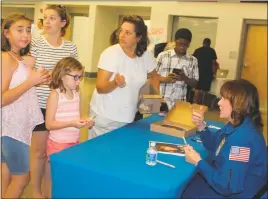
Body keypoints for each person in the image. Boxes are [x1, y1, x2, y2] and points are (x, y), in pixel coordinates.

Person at [181, 79, 266, 198]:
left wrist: (198, 161)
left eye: (224, 99)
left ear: (238, 103)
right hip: (227, 180)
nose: (218, 103)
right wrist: (201, 126)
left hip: (235, 193)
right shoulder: (236, 124)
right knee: (189, 183)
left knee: (185, 191)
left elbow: (227, 186)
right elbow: (216, 145)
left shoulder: (242, 140)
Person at [30, 5, 79, 198]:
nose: (47, 22)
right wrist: (47, 76)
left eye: (52, 18)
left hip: (62, 108)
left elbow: (75, 74)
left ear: (63, 22)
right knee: (40, 152)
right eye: (45, 18)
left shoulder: (70, 47)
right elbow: (30, 73)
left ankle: (51, 192)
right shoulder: (36, 43)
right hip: (39, 104)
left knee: (55, 156)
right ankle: (36, 191)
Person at [1, 14, 49, 198]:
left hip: (17, 127)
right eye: (19, 30)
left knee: (6, 173)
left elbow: (19, 85)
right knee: (22, 178)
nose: (26, 34)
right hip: (11, 129)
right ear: (6, 33)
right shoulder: (6, 59)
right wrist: (31, 81)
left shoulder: (20, 58)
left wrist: (39, 79)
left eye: (28, 30)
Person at [89, 15, 159, 139]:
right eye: (121, 30)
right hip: (105, 117)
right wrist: (115, 83)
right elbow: (100, 87)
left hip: (127, 116)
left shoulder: (145, 56)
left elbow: (154, 76)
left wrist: (152, 103)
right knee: (100, 154)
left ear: (138, 37)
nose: (121, 35)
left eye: (127, 32)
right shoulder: (110, 54)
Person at [44, 57, 94, 198]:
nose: (78, 81)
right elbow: (49, 124)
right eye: (75, 77)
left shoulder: (78, 94)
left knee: (67, 178)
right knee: (56, 179)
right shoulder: (55, 95)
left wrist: (86, 121)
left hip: (74, 142)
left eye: (80, 77)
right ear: (62, 74)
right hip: (58, 144)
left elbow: (79, 116)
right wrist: (71, 123)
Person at [156, 28, 199, 110]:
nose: (182, 47)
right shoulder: (162, 56)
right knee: (157, 122)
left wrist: (184, 78)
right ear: (175, 41)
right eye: (179, 43)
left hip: (180, 103)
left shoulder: (193, 60)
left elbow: (195, 83)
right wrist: (165, 79)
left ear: (189, 44)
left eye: (185, 45)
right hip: (161, 101)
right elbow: (152, 77)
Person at [193, 38, 218, 104]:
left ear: (203, 43)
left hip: (198, 71)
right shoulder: (212, 51)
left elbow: (193, 61)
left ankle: (195, 103)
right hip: (208, 72)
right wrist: (214, 73)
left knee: (197, 88)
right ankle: (203, 103)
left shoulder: (197, 50)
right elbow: (213, 63)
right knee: (205, 89)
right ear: (209, 43)